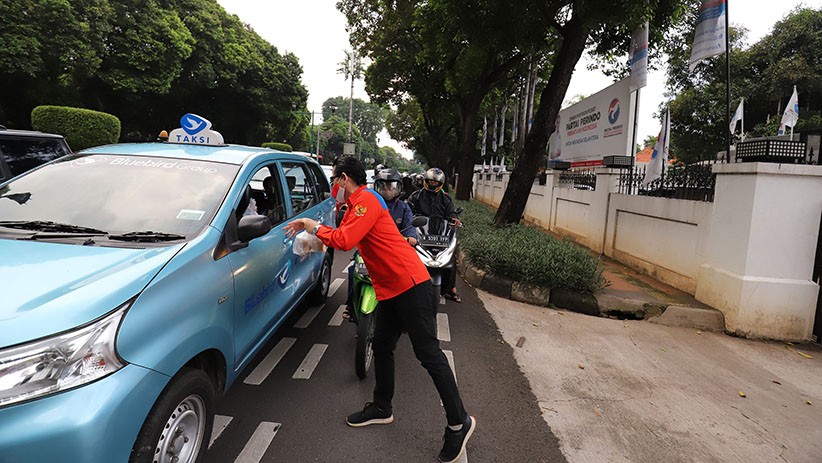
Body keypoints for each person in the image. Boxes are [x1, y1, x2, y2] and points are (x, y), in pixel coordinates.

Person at [283, 157, 475, 463]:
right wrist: (311, 243)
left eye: (335, 181)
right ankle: (382, 407)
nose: (334, 187)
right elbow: (349, 240)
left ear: (344, 179)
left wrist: (312, 225)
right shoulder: (355, 205)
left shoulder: (367, 200)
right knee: (383, 346)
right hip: (389, 289)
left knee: (429, 354)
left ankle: (459, 422)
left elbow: (345, 240)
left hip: (411, 285)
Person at [343, 168, 417, 317]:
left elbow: (410, 226)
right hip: (369, 249)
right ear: (376, 186)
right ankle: (351, 305)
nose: (387, 189)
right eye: (383, 186)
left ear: (398, 188)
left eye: (391, 186)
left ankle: (405, 311)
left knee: (409, 277)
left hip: (395, 251)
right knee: (353, 271)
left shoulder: (404, 207)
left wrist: (411, 237)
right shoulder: (368, 202)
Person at [407, 167, 463, 303]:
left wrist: (454, 219)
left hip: (440, 233)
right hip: (420, 231)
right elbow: (408, 210)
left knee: (451, 257)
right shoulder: (416, 196)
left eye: (435, 183)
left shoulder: (445, 198)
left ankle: (451, 287)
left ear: (440, 184)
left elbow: (451, 213)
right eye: (430, 181)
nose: (433, 184)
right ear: (426, 181)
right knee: (408, 253)